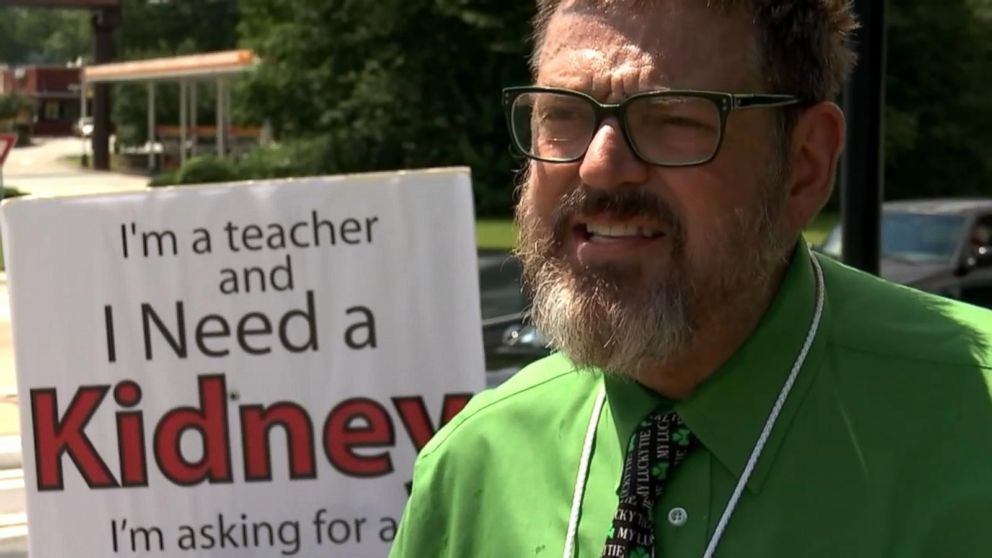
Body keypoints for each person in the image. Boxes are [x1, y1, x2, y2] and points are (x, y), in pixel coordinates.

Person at [391, 1, 992, 556]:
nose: (600, 167)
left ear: (804, 164)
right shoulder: (473, 464)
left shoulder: (973, 425)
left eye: (672, 120)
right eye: (563, 116)